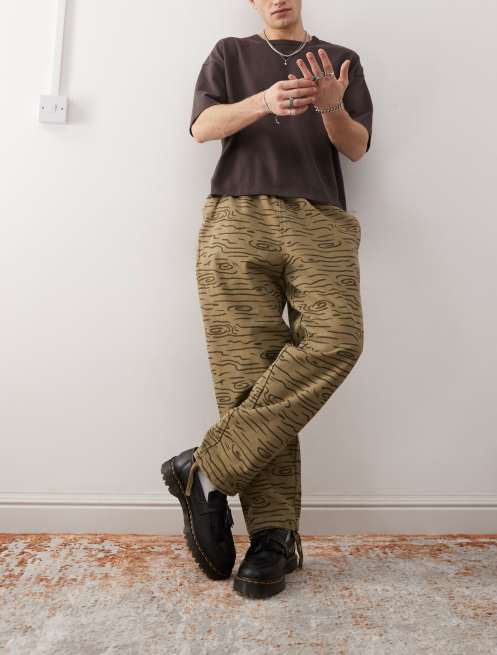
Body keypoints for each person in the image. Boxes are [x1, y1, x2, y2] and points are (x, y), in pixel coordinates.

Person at [161, 0, 373, 599]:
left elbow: (357, 147)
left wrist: (331, 106)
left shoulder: (341, 60)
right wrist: (263, 101)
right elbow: (202, 127)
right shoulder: (230, 53)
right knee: (248, 377)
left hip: (319, 220)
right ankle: (273, 537)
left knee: (337, 340)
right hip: (236, 217)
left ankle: (208, 469)